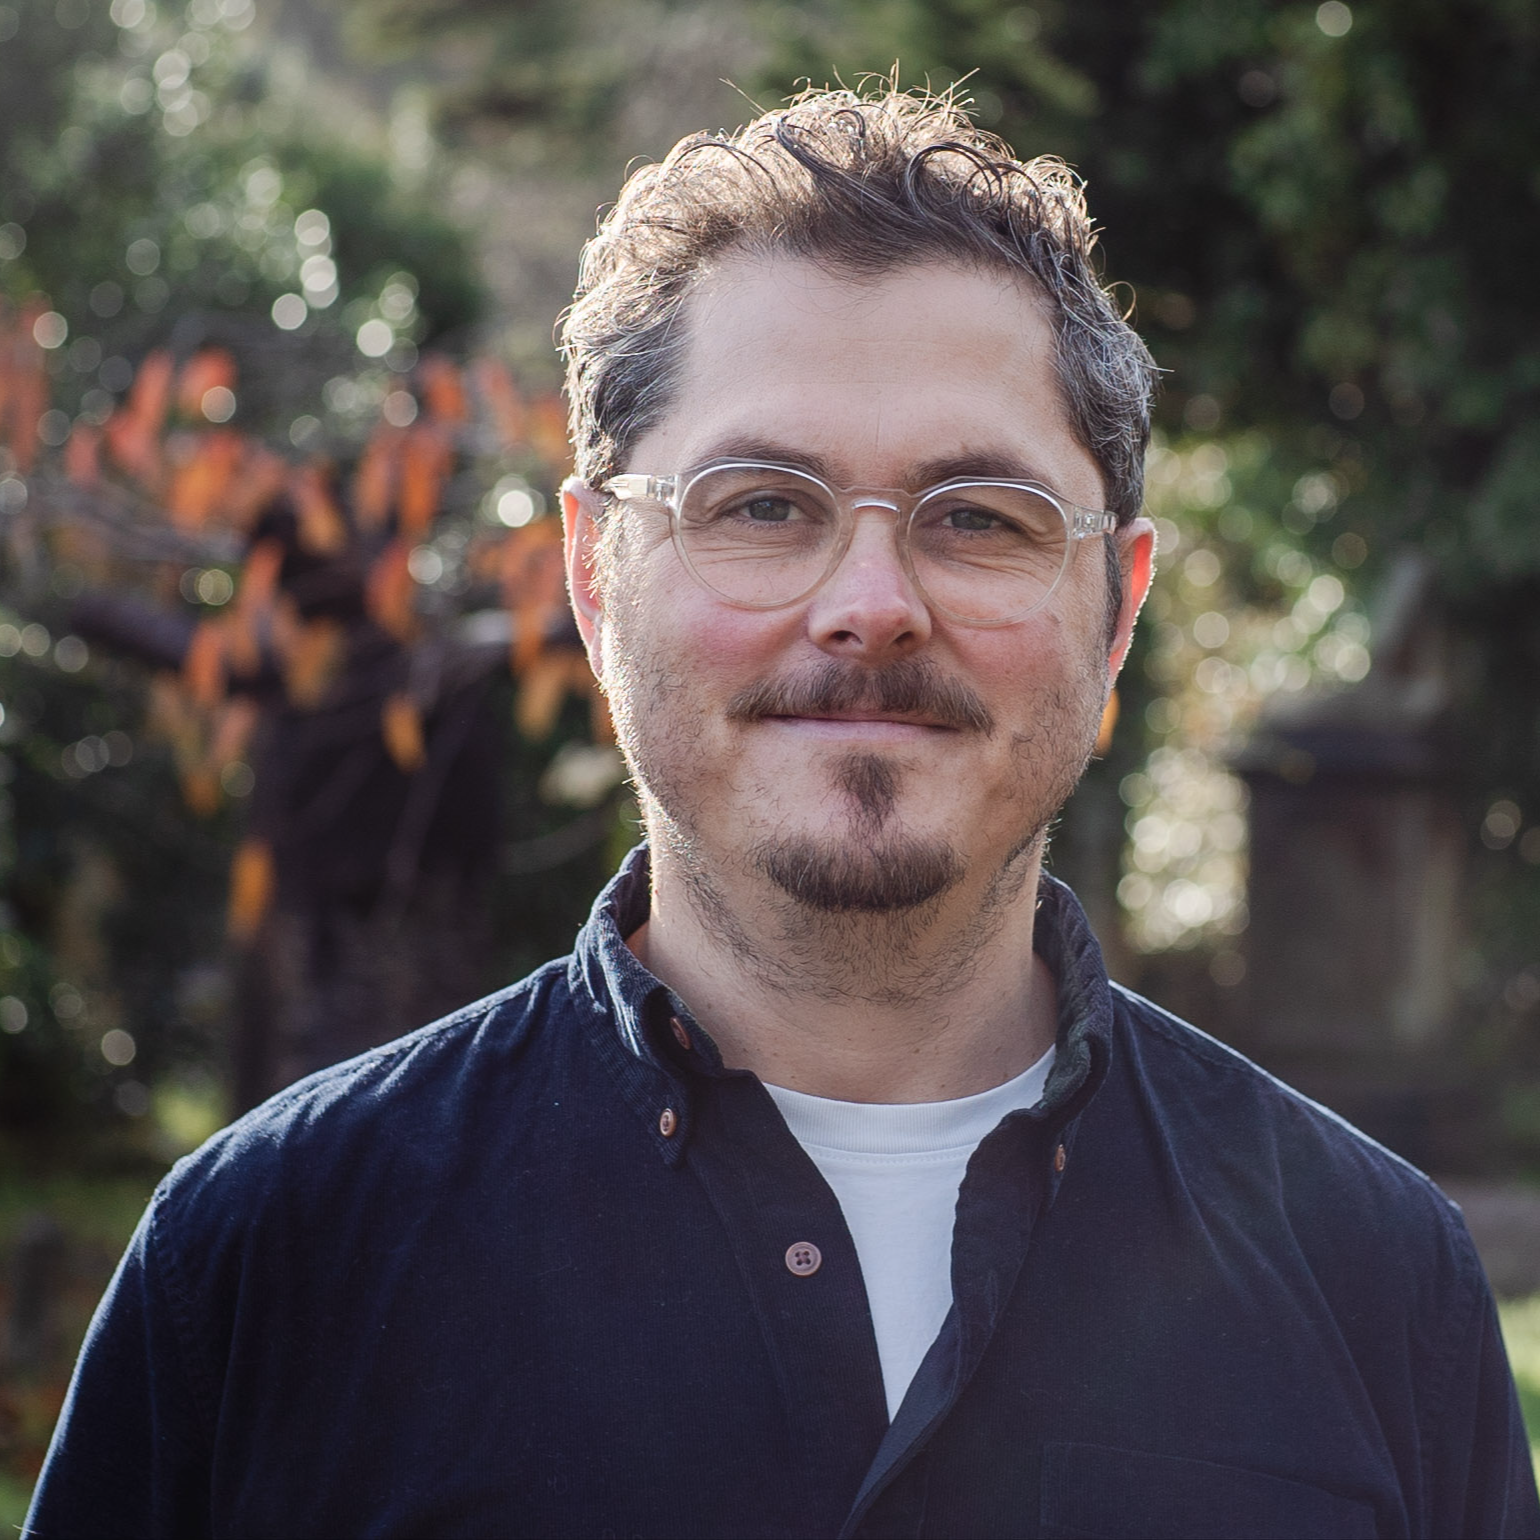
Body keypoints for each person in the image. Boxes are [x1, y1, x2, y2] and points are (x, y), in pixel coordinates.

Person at [28, 87, 1538, 1540]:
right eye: (761, 505)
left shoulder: (1379, 1284)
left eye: (979, 518)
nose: (871, 605)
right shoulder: (264, 1265)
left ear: (1117, 606)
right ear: (594, 579)